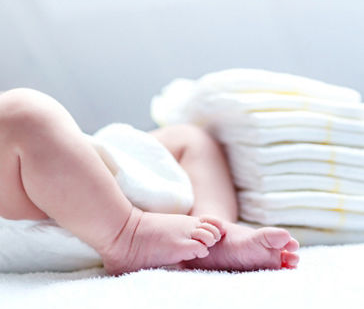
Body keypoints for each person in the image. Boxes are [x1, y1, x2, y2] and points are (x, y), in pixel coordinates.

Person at [0, 88, 299, 275]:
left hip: (94, 185)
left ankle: (215, 233)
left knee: (191, 139)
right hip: (25, 206)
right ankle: (126, 235)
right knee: (20, 113)